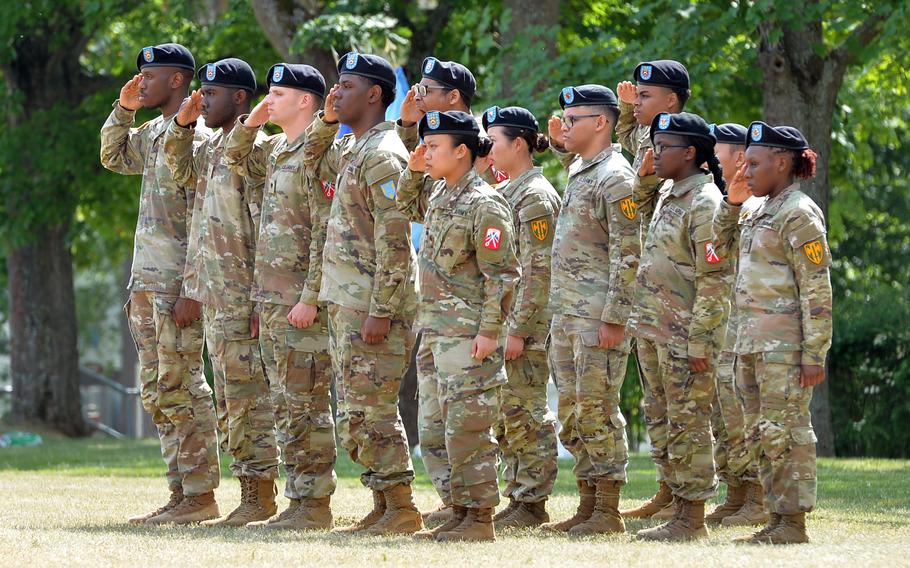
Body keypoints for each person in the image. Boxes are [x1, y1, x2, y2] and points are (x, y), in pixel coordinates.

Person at [100, 43, 220, 525]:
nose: (141, 81)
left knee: (184, 383)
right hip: (147, 279)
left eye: (150, 76)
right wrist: (124, 108)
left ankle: (200, 493)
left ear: (178, 81)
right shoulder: (152, 131)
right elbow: (111, 156)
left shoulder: (202, 136)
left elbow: (207, 217)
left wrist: (193, 286)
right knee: (157, 389)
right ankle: (179, 491)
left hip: (178, 281)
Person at [303, 52, 422, 536]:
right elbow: (309, 160)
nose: (336, 93)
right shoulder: (353, 148)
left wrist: (382, 310)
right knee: (356, 412)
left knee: (372, 412)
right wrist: (328, 118)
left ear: (374, 94)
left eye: (346, 86)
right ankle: (382, 501)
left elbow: (395, 242)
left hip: (374, 306)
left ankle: (402, 505)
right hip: (347, 300)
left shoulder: (384, 154)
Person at [163, 58, 280, 527]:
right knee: (231, 400)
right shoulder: (211, 150)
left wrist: (257, 300)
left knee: (250, 399)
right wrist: (183, 123)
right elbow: (178, 167)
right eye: (201, 92)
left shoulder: (258, 151)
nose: (203, 99)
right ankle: (248, 491)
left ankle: (260, 494)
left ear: (240, 99)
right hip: (214, 294)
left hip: (243, 294)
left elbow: (264, 230)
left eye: (212, 94)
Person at [222, 63, 337, 530]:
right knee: (286, 404)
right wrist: (251, 122)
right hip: (272, 299)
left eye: (278, 94)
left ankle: (313, 504)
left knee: (306, 400)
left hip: (300, 301)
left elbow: (324, 230)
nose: (268, 102)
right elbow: (234, 157)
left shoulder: (318, 152)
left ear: (305, 101)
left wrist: (311, 295)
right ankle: (297, 501)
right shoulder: (275, 150)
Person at [397, 110, 520, 542]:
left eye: (433, 147)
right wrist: (414, 173)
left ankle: (479, 517)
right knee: (434, 430)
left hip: (469, 336)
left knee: (469, 428)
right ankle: (458, 507)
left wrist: (490, 332)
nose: (425, 153)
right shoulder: (439, 195)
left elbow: (502, 276)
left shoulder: (484, 204)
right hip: (435, 333)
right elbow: (400, 203)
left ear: (461, 151)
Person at [713, 121, 832, 545]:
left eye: (755, 163)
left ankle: (793, 523)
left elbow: (817, 290)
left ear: (782, 163)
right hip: (748, 342)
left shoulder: (798, 213)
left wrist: (814, 353)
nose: (745, 170)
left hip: (784, 347)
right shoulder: (754, 208)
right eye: (743, 161)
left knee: (787, 432)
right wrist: (731, 203)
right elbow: (715, 250)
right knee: (760, 433)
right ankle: (774, 515)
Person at [627, 112, 729, 541]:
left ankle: (692, 517)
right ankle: (675, 502)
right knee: (662, 419)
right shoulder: (670, 193)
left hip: (685, 335)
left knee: (688, 423)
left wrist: (701, 340)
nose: (654, 153)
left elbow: (714, 279)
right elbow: (636, 207)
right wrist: (648, 177)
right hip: (653, 330)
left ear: (690, 153)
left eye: (663, 147)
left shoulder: (706, 203)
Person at [541, 85, 638, 535]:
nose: (564, 125)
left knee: (598, 409)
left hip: (598, 316)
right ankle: (587, 502)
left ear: (601, 123)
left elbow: (628, 252)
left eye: (574, 118)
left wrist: (616, 316)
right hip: (568, 312)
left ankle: (607, 510)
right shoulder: (582, 169)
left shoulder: (617, 177)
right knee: (574, 411)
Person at [614, 60, 694, 521]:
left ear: (671, 100)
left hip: (681, 301)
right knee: (657, 402)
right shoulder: (651, 140)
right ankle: (669, 487)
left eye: (647, 96)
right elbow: (633, 142)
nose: (638, 101)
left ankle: (700, 494)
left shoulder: (688, 143)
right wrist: (629, 112)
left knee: (688, 406)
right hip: (652, 299)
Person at [482, 106, 560, 528]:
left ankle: (532, 501)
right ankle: (518, 495)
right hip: (504, 324)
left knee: (526, 412)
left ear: (519, 144)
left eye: (493, 141)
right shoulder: (509, 191)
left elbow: (537, 269)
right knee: (508, 413)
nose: (487, 149)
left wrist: (519, 329)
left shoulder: (535, 196)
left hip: (522, 329)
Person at [703, 122, 767, 527]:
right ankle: (737, 492)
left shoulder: (760, 207)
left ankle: (757, 496)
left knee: (747, 416)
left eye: (719, 153)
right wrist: (730, 205)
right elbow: (715, 252)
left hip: (753, 329)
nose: (713, 160)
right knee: (727, 415)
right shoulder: (732, 203)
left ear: (740, 157)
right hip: (729, 325)